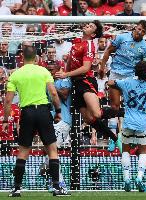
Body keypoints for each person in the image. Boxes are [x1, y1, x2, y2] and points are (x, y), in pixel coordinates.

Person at [3, 46, 67, 196]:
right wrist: (58, 111)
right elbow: (53, 93)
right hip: (44, 112)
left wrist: (6, 120)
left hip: (27, 112)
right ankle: (57, 187)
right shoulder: (43, 71)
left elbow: (7, 101)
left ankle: (17, 188)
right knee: (52, 150)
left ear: (22, 57)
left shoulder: (16, 75)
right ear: (37, 58)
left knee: (23, 151)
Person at [55, 21, 122, 152]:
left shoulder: (90, 45)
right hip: (75, 83)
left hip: (86, 81)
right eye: (88, 24)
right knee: (89, 119)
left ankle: (128, 111)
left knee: (96, 113)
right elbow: (70, 59)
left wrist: (66, 74)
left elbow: (86, 68)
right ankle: (115, 138)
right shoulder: (76, 41)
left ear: (94, 34)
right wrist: (65, 72)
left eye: (91, 26)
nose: (87, 26)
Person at [107, 61, 146, 192]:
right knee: (143, 151)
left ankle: (126, 179)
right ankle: (139, 178)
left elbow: (110, 82)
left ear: (136, 71)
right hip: (142, 123)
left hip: (128, 122)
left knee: (125, 150)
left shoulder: (127, 82)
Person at [100, 20, 146, 112]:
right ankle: (114, 124)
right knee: (115, 106)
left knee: (131, 106)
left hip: (131, 77)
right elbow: (108, 51)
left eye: (143, 31)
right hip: (115, 73)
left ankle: (127, 124)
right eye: (139, 29)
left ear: (145, 33)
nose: (140, 32)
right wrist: (102, 67)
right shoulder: (122, 37)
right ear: (135, 27)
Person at [43, 61, 72, 192]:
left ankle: (60, 183)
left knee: (51, 150)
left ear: (58, 69)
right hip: (50, 121)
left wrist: (52, 86)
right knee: (48, 151)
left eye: (52, 69)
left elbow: (65, 95)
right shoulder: (46, 84)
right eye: (48, 69)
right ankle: (53, 181)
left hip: (63, 121)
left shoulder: (64, 81)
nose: (50, 72)